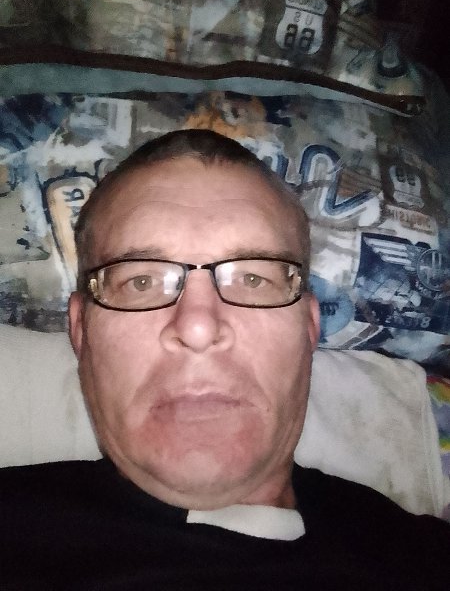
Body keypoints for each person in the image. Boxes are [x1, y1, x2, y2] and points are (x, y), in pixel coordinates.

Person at [1, 129, 449, 590]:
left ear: (310, 328)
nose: (197, 327)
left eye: (253, 279)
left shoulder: (423, 559)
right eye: (141, 282)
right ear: (80, 330)